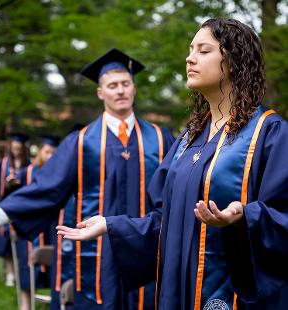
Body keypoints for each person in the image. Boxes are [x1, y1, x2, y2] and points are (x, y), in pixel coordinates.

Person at [56, 18, 288, 310]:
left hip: (233, 296)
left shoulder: (269, 134)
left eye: (203, 51)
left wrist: (244, 217)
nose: (190, 58)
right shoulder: (188, 139)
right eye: (191, 50)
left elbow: (283, 219)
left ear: (233, 63)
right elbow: (165, 221)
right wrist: (111, 225)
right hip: (177, 292)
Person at [0, 48, 175, 309]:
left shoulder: (161, 139)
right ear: (100, 92)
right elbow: (46, 187)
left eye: (125, 84)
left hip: (145, 249)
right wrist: (0, 212)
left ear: (134, 88)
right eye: (112, 85)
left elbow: (175, 194)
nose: (120, 91)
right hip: (95, 253)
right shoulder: (82, 143)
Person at [14, 135, 59, 310]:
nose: (49, 156)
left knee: (49, 269)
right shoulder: (26, 172)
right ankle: (25, 306)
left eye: (53, 153)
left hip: (49, 228)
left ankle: (48, 302)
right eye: (47, 152)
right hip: (28, 229)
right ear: (40, 151)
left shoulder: (58, 174)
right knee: (27, 270)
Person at [0, 133, 30, 287]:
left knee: (19, 240)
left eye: (19, 148)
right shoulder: (4, 164)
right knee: (6, 240)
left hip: (23, 208)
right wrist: (7, 185)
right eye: (14, 148)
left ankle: (20, 271)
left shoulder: (29, 165)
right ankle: (10, 273)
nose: (16, 151)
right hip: (7, 204)